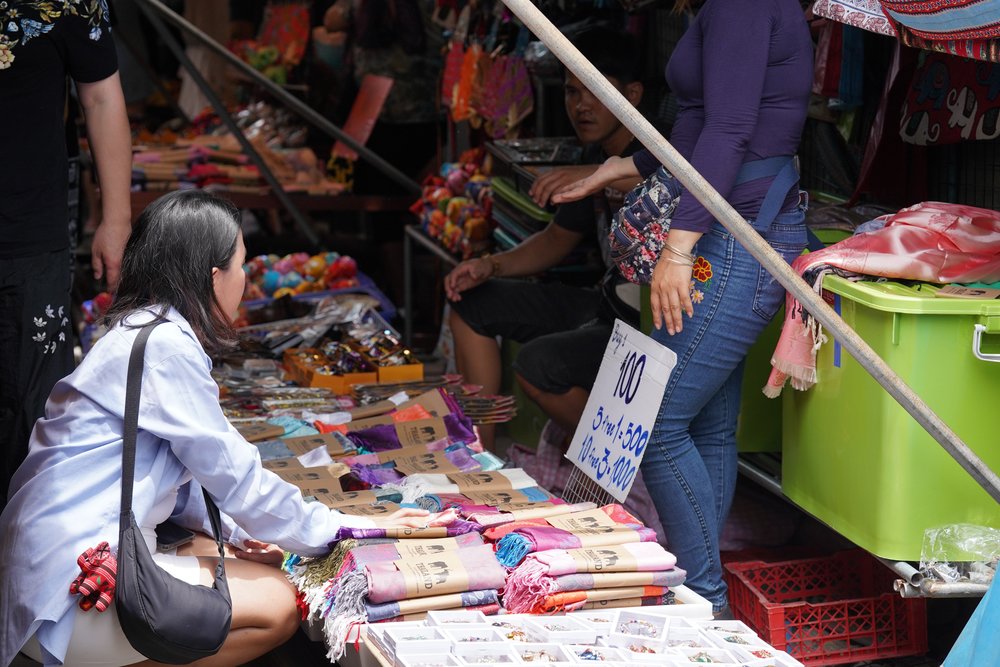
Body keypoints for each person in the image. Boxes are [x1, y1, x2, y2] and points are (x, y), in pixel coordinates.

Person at [0, 190, 450, 667]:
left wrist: (240, 532)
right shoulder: (165, 346)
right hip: (73, 592)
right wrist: (350, 527)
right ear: (214, 278)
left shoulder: (140, 330)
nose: (246, 282)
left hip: (39, 571)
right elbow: (239, 480)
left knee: (220, 549)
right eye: (241, 266)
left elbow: (186, 475)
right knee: (279, 604)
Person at [553, 0, 814, 615]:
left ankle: (704, 601)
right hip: (728, 226)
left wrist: (678, 245)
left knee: (660, 423)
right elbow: (703, 124)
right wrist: (626, 164)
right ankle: (705, 599)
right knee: (704, 426)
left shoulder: (742, 5)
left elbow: (729, 132)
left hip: (740, 233)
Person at [443, 26, 646, 451]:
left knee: (538, 366)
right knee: (470, 300)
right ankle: (477, 453)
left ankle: (633, 462)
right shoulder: (591, 153)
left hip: (646, 326)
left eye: (595, 92)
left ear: (633, 94)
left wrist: (597, 176)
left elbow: (675, 178)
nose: (581, 106)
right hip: (603, 306)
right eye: (572, 93)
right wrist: (490, 265)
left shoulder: (664, 153)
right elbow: (557, 239)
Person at [0, 0, 133, 507]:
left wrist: (116, 218)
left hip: (29, 236)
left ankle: (22, 572)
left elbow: (101, 97)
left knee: (30, 418)